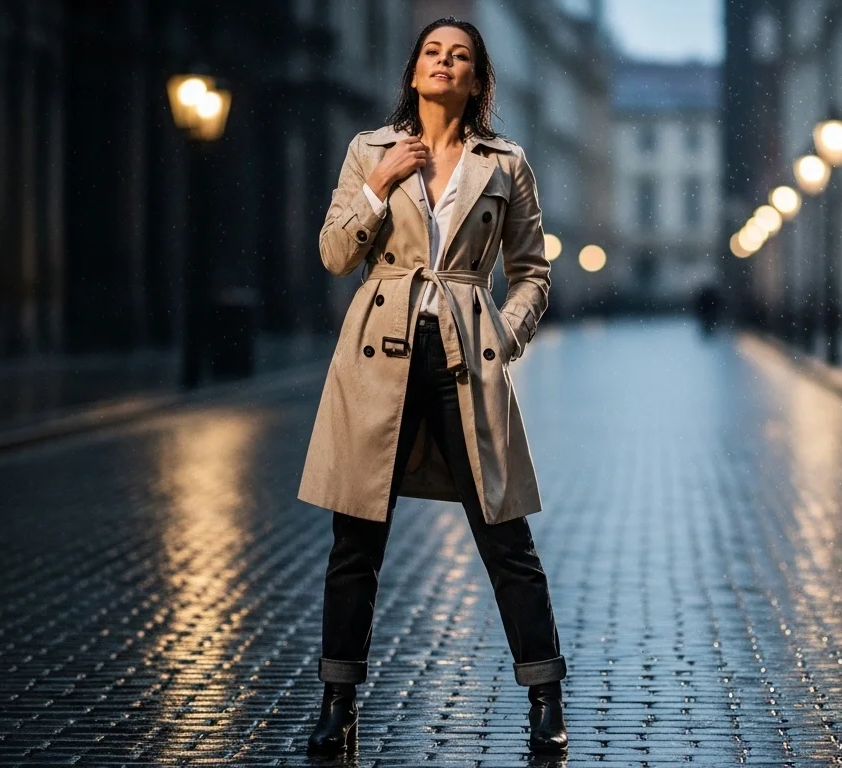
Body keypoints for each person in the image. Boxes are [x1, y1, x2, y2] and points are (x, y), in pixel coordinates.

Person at [296, 16, 567, 757]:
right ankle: (337, 703)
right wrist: (380, 184)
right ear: (414, 71)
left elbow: (532, 272)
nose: (444, 63)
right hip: (376, 355)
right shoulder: (370, 150)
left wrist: (503, 336)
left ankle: (545, 696)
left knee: (504, 534)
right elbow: (333, 254)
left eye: (460, 56)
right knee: (355, 540)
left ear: (477, 80)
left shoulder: (505, 162)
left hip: (465, 356)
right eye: (432, 53)